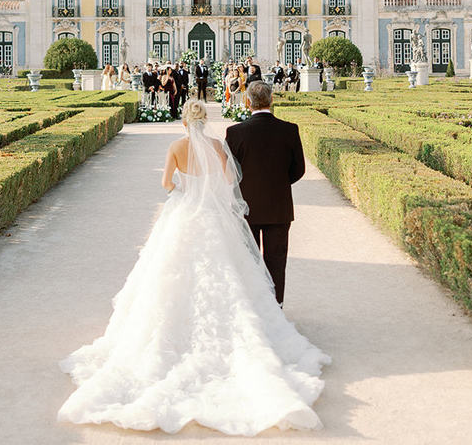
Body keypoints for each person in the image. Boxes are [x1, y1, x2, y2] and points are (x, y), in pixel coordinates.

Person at [58, 99, 329, 435]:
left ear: (185, 122)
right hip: (216, 220)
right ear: (205, 122)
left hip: (185, 216)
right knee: (231, 275)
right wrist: (210, 190)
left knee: (168, 278)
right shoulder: (219, 146)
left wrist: (187, 188)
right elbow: (233, 181)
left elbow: (166, 185)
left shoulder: (176, 146)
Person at [224, 82, 305, 306]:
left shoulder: (235, 132)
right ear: (272, 100)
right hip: (279, 207)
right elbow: (299, 170)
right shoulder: (290, 129)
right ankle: (275, 305)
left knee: (249, 259)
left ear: (248, 102)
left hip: (246, 208)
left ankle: (252, 305)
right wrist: (278, 184)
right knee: (276, 260)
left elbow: (230, 173)